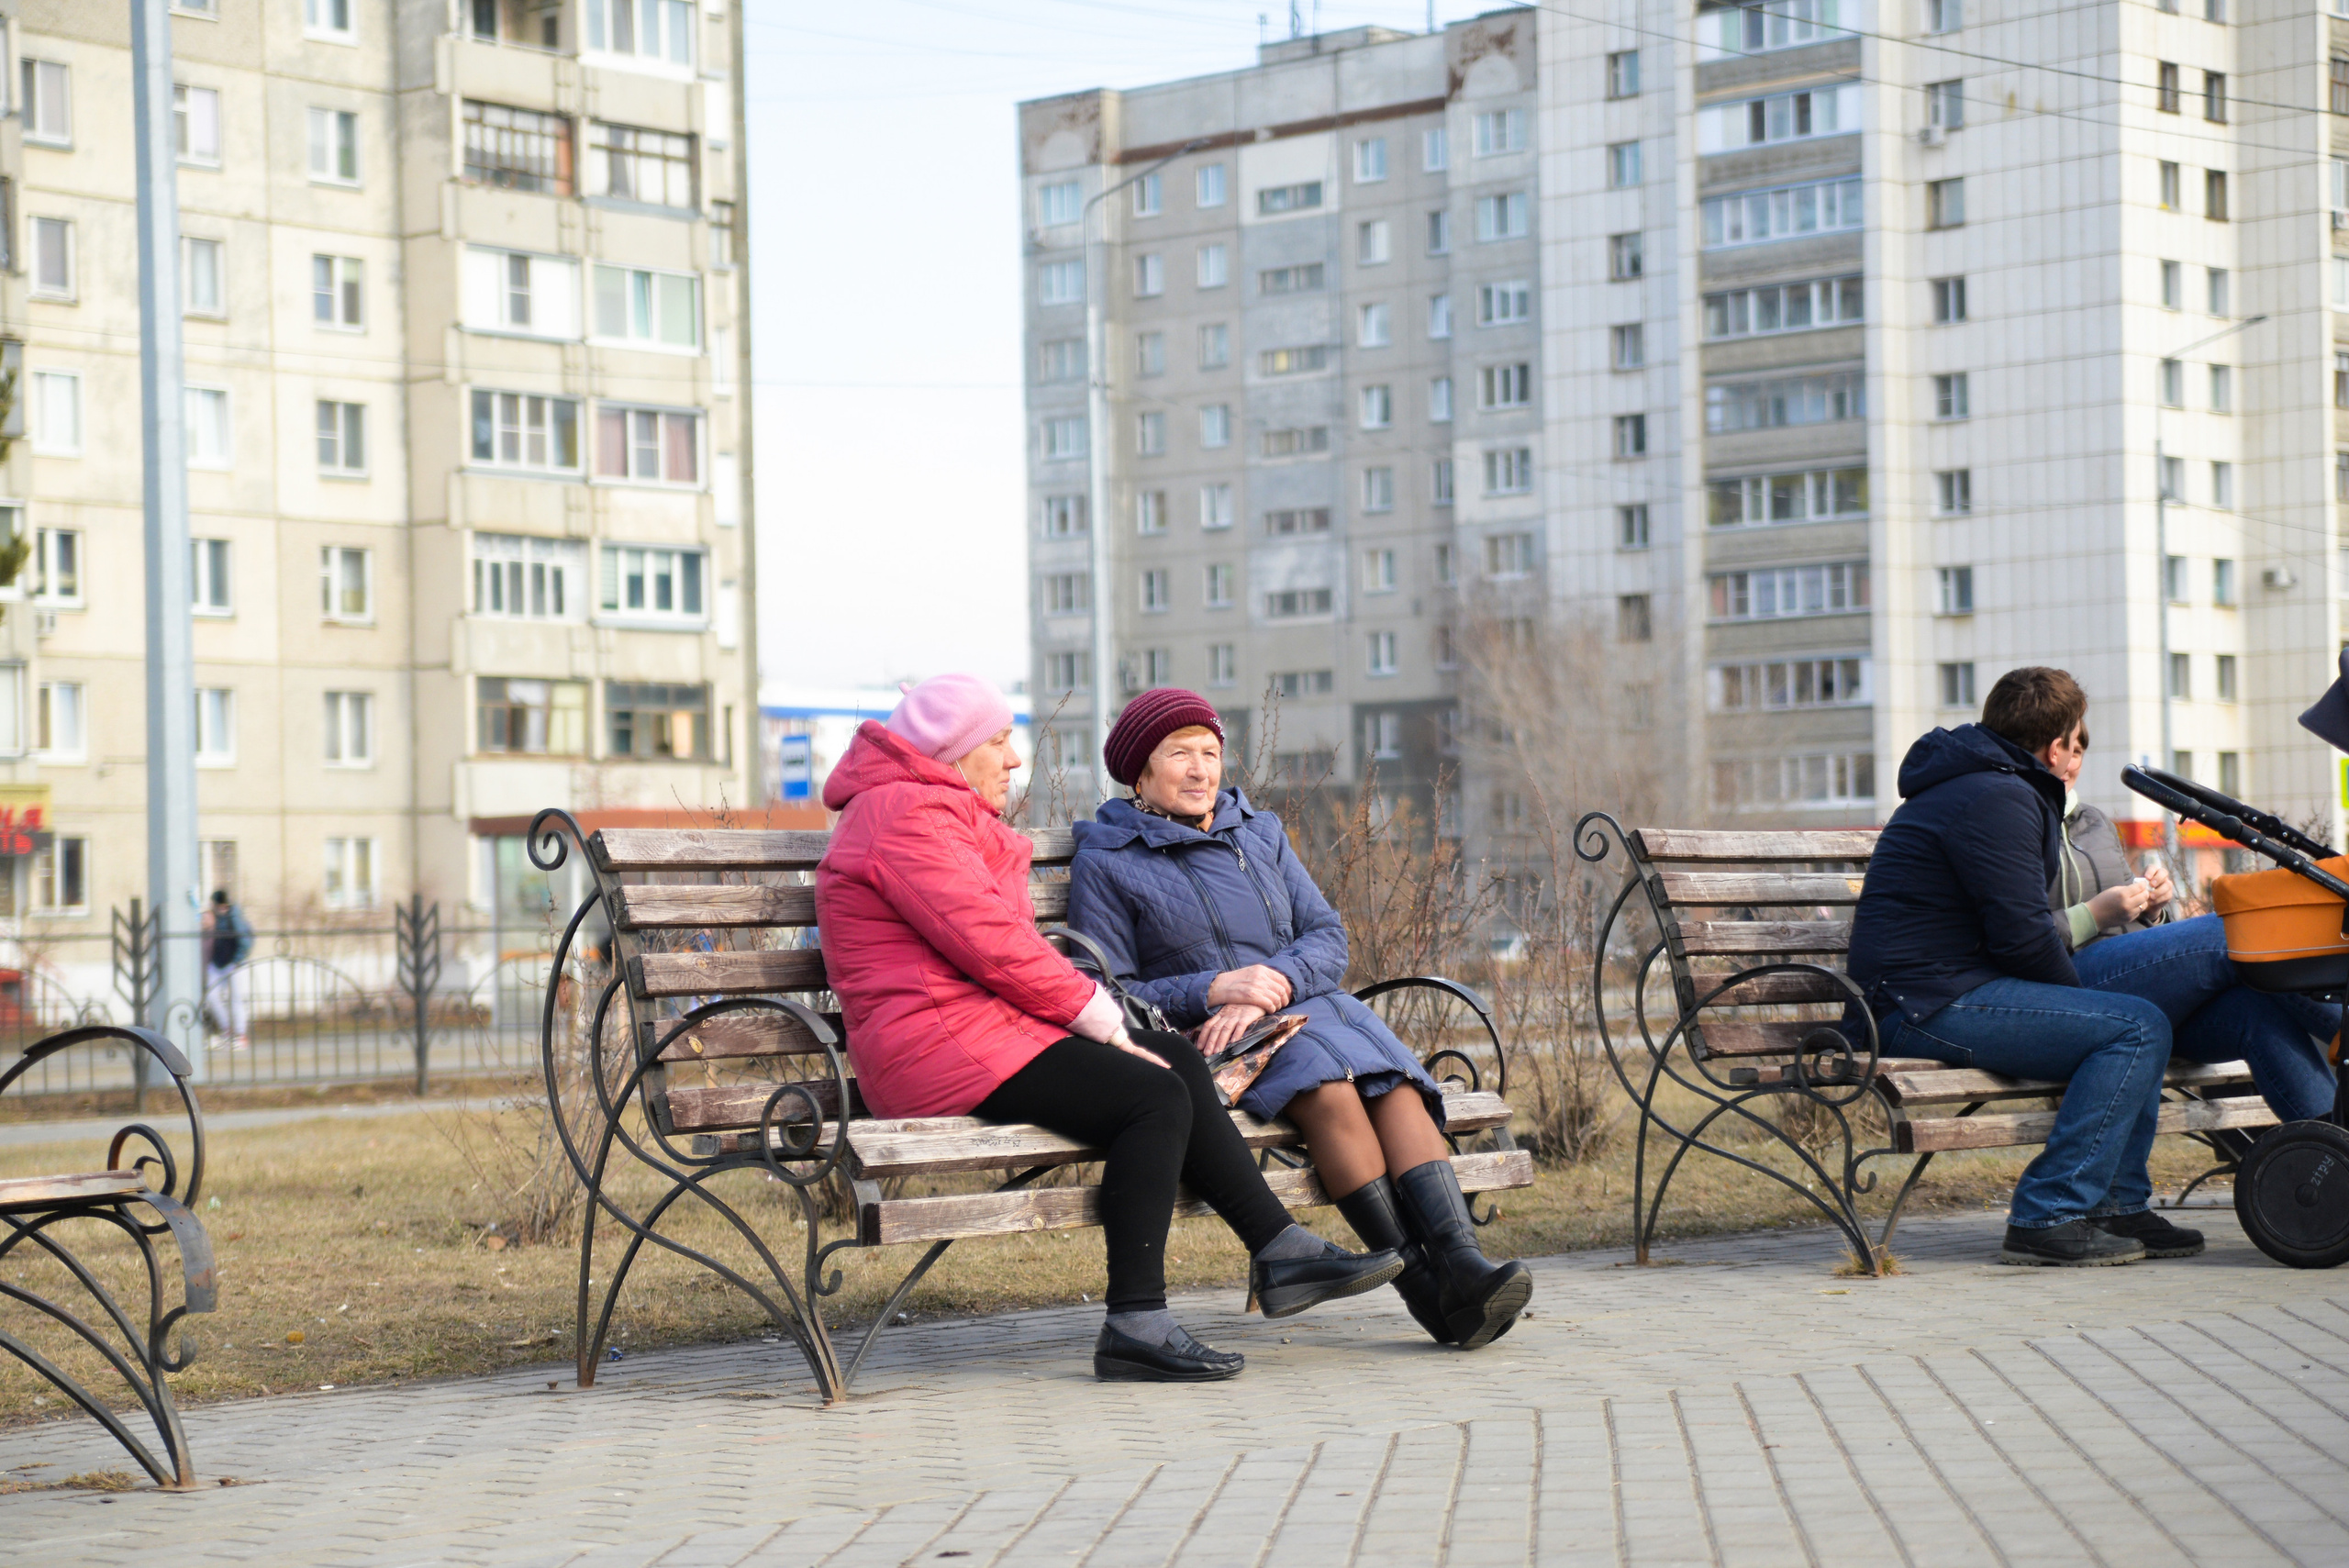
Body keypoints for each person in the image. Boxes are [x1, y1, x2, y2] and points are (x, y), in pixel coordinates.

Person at [814, 673, 1403, 1384]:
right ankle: (1135, 1319)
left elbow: (995, 943)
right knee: (1149, 1095)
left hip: (978, 1031)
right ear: (952, 750)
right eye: (998, 743)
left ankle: (1280, 1249)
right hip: (933, 1045)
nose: (1012, 761)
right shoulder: (904, 817)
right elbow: (993, 945)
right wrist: (1093, 1011)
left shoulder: (931, 811)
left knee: (1176, 1063)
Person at [1066, 689, 1532, 1350]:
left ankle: (1463, 1265)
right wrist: (1216, 988)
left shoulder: (1260, 833)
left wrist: (1268, 985)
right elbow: (1102, 988)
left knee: (1394, 1082)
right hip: (1223, 1040)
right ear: (1139, 772)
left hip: (1304, 1005)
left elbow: (1326, 935)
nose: (1201, 770)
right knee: (1332, 1088)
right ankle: (1427, 1290)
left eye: (1211, 752)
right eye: (1180, 754)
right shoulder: (1109, 859)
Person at [1843, 669, 2187, 1266]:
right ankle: (2047, 1213)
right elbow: (2024, 938)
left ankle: (2116, 1203)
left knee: (2134, 1020)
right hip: (1916, 1004)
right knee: (2133, 1027)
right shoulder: (1999, 795)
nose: (2076, 754)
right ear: (2055, 747)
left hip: (1945, 989)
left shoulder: (1989, 785)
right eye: (2074, 740)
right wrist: (2084, 1007)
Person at [2023, 687, 2337, 1128]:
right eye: (2061, 749)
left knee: (2259, 1009)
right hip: (2069, 985)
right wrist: (2095, 914)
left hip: (2137, 986)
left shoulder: (2093, 822)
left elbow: (2135, 931)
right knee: (2233, 933)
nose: (2071, 761)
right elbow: (2016, 932)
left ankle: (2332, 1162)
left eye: (2079, 750)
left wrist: (2154, 910)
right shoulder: (2011, 820)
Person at [203, 889, 253, 1052]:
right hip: (217, 963)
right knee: (211, 995)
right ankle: (227, 1031)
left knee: (236, 999)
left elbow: (246, 940)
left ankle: (240, 1035)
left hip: (233, 964)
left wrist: (237, 959)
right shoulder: (213, 918)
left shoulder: (235, 918)